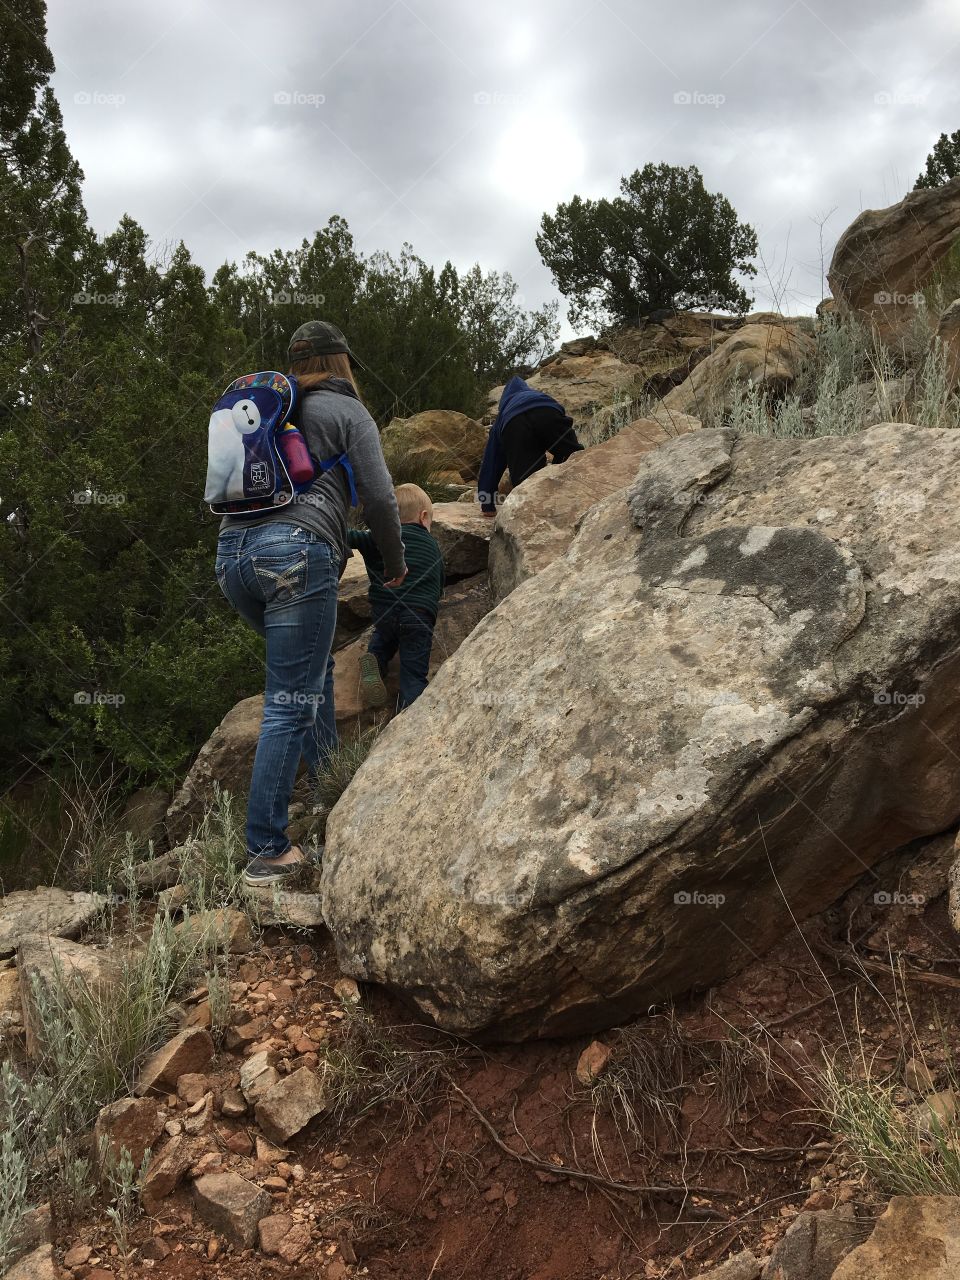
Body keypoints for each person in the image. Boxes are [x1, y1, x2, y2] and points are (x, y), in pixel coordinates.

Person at [215, 321, 407, 886]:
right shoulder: (347, 411)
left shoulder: (268, 408)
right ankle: (267, 849)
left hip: (232, 558)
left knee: (311, 672)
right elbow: (379, 496)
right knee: (288, 699)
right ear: (342, 362)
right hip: (296, 554)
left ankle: (328, 788)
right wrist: (393, 565)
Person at [347, 483, 445, 711]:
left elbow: (349, 537)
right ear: (423, 517)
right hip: (418, 614)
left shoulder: (379, 538)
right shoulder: (432, 545)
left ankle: (375, 661)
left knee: (384, 635)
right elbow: (439, 582)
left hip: (385, 610)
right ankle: (408, 712)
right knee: (413, 671)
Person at [477, 375, 583, 516]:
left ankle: (532, 515)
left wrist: (487, 504)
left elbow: (492, 461)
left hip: (514, 422)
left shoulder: (503, 413)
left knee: (525, 481)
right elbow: (561, 415)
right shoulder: (538, 395)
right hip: (548, 411)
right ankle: (580, 497)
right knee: (573, 456)